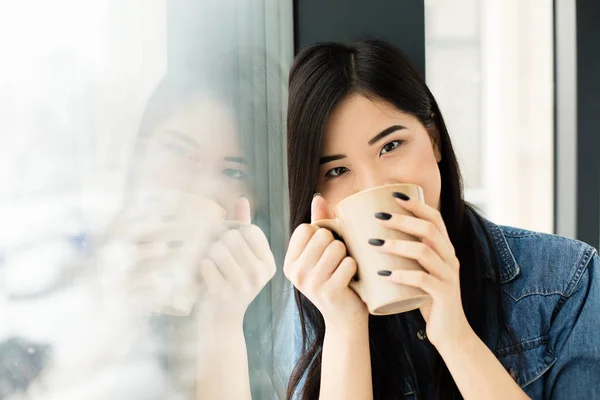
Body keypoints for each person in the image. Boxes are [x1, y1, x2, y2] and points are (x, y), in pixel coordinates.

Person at [283, 38, 600, 400]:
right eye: (338, 170)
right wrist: (345, 324)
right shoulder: (315, 297)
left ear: (433, 139)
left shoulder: (566, 279)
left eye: (390, 146)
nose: (374, 186)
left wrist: (455, 336)